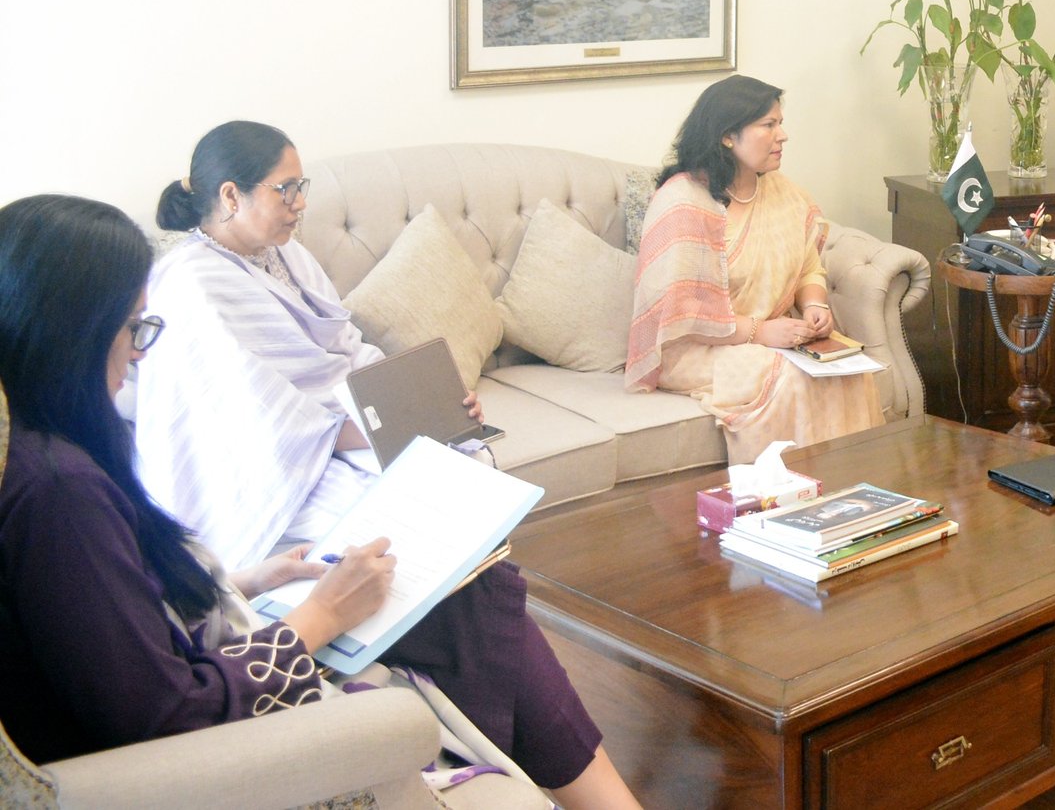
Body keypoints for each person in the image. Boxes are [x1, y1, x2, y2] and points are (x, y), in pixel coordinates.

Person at [0, 194, 641, 807]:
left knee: (447, 593)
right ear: (71, 333)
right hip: (196, 762)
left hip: (205, 669)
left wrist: (248, 581)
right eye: (132, 329)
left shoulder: (42, 452)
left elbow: (109, 620)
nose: (140, 355)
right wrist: (319, 618)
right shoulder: (60, 492)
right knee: (459, 602)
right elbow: (164, 712)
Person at [137, 120, 471, 571]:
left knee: (465, 462)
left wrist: (427, 403)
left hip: (340, 429)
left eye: (300, 186)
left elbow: (346, 345)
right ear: (232, 196)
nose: (301, 202)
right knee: (396, 518)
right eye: (286, 189)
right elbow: (254, 419)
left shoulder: (288, 252)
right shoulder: (189, 280)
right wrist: (391, 426)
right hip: (268, 467)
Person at [627, 75, 882, 462]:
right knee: (790, 378)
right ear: (728, 136)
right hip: (695, 349)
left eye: (780, 123)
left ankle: (855, 485)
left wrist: (815, 305)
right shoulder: (684, 201)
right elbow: (683, 314)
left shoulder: (782, 192)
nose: (783, 135)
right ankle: (786, 490)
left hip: (776, 338)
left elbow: (808, 267)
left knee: (851, 371)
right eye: (769, 125)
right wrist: (760, 331)